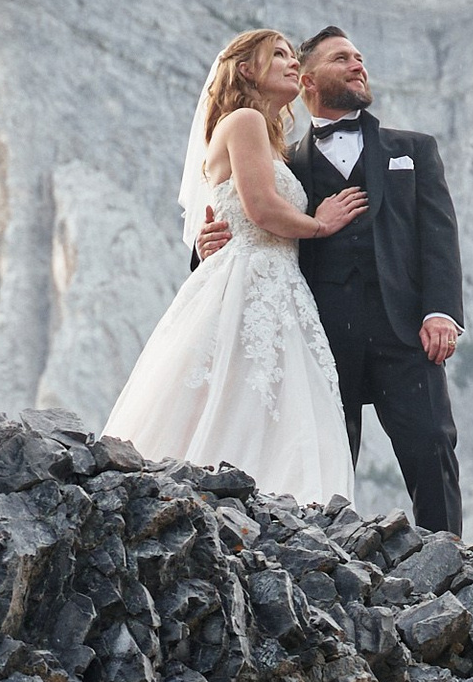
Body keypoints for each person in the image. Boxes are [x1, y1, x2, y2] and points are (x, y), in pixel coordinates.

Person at [196, 26, 464, 534]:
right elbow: (245, 214)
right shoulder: (284, 160)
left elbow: (439, 236)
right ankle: (328, 568)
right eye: (342, 58)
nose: (358, 65)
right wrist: (204, 243)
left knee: (432, 448)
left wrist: (440, 312)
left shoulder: (415, 148)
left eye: (360, 57)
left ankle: (452, 574)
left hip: (406, 331)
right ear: (309, 79)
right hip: (317, 334)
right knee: (324, 456)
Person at [101, 30, 362, 503]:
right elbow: (261, 209)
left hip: (280, 286)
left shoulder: (266, 137)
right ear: (246, 70)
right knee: (242, 400)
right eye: (278, 55)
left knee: (267, 405)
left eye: (292, 56)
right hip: (249, 282)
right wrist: (319, 224)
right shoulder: (243, 120)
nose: (290, 63)